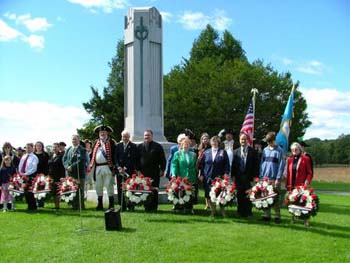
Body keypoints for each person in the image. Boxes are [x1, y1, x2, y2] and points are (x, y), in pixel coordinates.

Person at [200, 136, 230, 217]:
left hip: (219, 178)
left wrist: (226, 174)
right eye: (213, 141)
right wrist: (201, 174)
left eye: (216, 141)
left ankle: (222, 211)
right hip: (208, 177)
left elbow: (227, 164)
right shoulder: (206, 152)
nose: (214, 143)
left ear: (218, 143)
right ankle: (213, 211)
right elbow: (202, 165)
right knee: (209, 195)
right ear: (210, 142)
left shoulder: (223, 152)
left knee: (221, 195)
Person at [88, 125, 116, 210]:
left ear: (107, 133)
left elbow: (114, 154)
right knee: (98, 186)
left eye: (104, 132)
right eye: (101, 132)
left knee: (109, 185)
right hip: (98, 167)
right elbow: (92, 154)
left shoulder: (111, 142)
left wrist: (114, 166)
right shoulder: (96, 142)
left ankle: (111, 204)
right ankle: (100, 204)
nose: (102, 133)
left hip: (108, 166)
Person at [137, 129, 166, 212]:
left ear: (152, 136)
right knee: (144, 189)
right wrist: (138, 170)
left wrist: (162, 170)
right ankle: (146, 206)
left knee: (154, 189)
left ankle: (154, 207)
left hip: (155, 172)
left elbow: (163, 160)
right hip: (143, 172)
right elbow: (136, 160)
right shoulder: (139, 147)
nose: (146, 137)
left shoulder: (158, 146)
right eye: (145, 135)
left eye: (148, 135)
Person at [259, 132, 285, 223]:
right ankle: (267, 215)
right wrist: (261, 176)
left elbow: (281, 165)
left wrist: (278, 178)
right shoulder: (265, 150)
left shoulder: (279, 150)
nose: (270, 144)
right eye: (268, 142)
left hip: (274, 178)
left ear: (274, 140)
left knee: (275, 198)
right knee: (265, 197)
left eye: (271, 142)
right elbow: (262, 164)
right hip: (264, 178)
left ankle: (277, 216)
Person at [286, 142, 313, 226]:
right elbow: (288, 173)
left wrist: (307, 181)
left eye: (296, 149)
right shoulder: (289, 160)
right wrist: (287, 185)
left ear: (299, 149)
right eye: (292, 149)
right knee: (292, 202)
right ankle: (293, 218)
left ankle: (306, 220)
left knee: (304, 203)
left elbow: (309, 172)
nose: (294, 151)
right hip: (292, 184)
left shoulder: (306, 159)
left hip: (302, 185)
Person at [232, 133, 259, 218]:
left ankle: (248, 212)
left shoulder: (253, 152)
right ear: (239, 141)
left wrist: (255, 177)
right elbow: (233, 165)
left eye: (245, 139)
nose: (243, 141)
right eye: (241, 139)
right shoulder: (235, 152)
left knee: (249, 195)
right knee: (239, 195)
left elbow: (256, 165)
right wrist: (232, 175)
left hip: (249, 177)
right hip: (239, 177)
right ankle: (240, 212)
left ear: (248, 140)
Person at [171, 138, 198, 214]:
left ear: (190, 145)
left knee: (191, 192)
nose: (186, 145)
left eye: (188, 144)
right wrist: (173, 174)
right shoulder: (177, 154)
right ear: (181, 145)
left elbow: (196, 166)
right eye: (184, 144)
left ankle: (189, 207)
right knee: (181, 192)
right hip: (181, 177)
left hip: (191, 176)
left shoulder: (193, 154)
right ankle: (180, 207)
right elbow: (174, 165)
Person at [63, 135, 88, 210]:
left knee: (80, 190)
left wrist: (72, 167)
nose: (74, 141)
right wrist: (67, 166)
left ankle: (80, 206)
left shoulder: (82, 149)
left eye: (75, 139)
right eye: (73, 139)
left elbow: (81, 160)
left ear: (79, 140)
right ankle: (73, 205)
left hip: (79, 173)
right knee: (72, 189)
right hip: (70, 173)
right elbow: (64, 159)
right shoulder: (69, 149)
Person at [115, 130, 138, 211]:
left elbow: (133, 158)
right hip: (119, 171)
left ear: (129, 137)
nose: (124, 138)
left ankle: (130, 204)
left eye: (126, 136)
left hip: (129, 170)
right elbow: (116, 158)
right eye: (123, 136)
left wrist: (125, 167)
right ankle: (122, 205)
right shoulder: (118, 146)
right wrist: (118, 167)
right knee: (120, 188)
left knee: (130, 188)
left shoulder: (133, 146)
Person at [18, 143, 39, 210]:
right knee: (25, 191)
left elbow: (34, 168)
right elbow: (20, 165)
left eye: (29, 147)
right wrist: (20, 173)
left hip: (30, 176)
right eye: (26, 148)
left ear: (32, 148)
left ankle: (33, 206)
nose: (27, 149)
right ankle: (29, 205)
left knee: (30, 192)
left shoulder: (34, 157)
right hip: (23, 176)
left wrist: (26, 174)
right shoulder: (24, 156)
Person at [48, 143, 65, 210]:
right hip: (51, 176)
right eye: (53, 147)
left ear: (58, 148)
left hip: (58, 176)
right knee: (53, 191)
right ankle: (55, 205)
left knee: (57, 192)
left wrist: (62, 176)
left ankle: (57, 206)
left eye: (56, 147)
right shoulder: (51, 155)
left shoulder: (61, 156)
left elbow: (62, 167)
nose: (54, 148)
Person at [197, 132, 211, 209]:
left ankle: (210, 204)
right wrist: (199, 172)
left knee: (209, 188)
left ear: (209, 140)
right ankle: (207, 203)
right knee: (205, 187)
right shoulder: (199, 149)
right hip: (202, 170)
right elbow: (199, 163)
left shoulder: (210, 148)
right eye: (203, 139)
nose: (205, 140)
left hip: (208, 170)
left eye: (206, 138)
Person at [34, 141, 49, 208]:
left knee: (41, 189)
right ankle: (35, 203)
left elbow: (47, 165)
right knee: (35, 188)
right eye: (37, 146)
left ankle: (41, 203)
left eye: (40, 146)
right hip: (34, 174)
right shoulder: (33, 154)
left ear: (42, 147)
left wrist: (45, 174)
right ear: (35, 147)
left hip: (43, 174)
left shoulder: (45, 154)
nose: (38, 147)